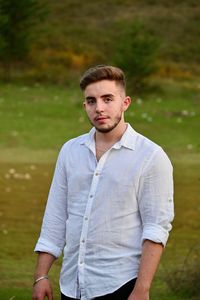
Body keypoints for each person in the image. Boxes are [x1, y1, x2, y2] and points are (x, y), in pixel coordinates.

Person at [32, 65, 174, 300]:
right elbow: (55, 217)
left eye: (108, 99)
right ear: (84, 105)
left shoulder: (150, 156)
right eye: (91, 101)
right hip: (71, 285)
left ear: (125, 102)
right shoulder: (70, 151)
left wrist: (142, 290)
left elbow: (156, 228)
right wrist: (41, 276)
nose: (99, 108)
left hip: (121, 285)